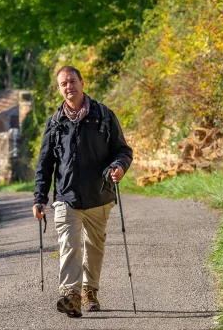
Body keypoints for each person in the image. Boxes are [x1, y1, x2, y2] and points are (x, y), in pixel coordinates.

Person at [33, 65, 133, 318]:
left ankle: (89, 290)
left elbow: (123, 150)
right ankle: (71, 295)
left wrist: (118, 167)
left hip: (99, 196)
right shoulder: (55, 123)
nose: (69, 86)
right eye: (64, 83)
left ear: (82, 82)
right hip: (67, 198)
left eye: (73, 81)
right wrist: (40, 198)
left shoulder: (103, 115)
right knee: (69, 245)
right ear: (59, 89)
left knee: (94, 247)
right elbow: (45, 164)